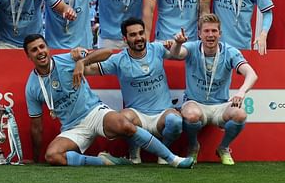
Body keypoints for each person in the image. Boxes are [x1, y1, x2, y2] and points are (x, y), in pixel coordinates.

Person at [23, 34, 193, 168]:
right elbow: (36, 127)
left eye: (42, 47)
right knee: (53, 156)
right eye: (34, 50)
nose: (40, 52)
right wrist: (36, 159)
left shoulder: (67, 58)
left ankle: (173, 159)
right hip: (72, 127)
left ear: (48, 48)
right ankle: (104, 161)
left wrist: (83, 61)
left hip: (95, 113)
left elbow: (107, 53)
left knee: (125, 125)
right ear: (28, 56)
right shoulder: (32, 87)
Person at [74, 18, 184, 164]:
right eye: (133, 35)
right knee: (122, 118)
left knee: (175, 121)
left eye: (141, 33)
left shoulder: (157, 49)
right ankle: (134, 152)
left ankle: (163, 152)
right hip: (138, 117)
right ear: (124, 39)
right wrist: (80, 62)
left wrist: (177, 43)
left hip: (162, 115)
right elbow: (90, 70)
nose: (138, 38)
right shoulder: (119, 60)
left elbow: (178, 54)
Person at [167, 13, 259, 165]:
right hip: (195, 103)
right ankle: (193, 146)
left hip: (220, 106)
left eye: (214, 31)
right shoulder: (192, 47)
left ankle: (223, 148)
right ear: (199, 33)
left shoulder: (230, 52)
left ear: (220, 33)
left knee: (240, 114)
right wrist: (177, 43)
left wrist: (242, 91)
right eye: (206, 31)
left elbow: (251, 74)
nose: (210, 35)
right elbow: (177, 54)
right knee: (191, 115)